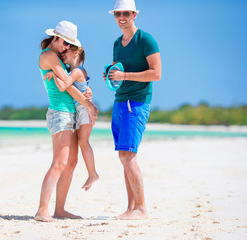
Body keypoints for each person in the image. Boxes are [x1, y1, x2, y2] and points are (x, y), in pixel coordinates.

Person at [35, 20, 98, 222]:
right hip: (60, 112)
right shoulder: (48, 55)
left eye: (70, 46)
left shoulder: (57, 58)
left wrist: (87, 92)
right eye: (65, 43)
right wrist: (89, 105)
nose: (67, 48)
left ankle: (60, 210)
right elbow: (65, 87)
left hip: (69, 113)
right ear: (56, 38)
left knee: (71, 162)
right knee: (60, 162)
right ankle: (42, 210)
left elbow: (74, 83)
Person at [105, 0, 162, 220]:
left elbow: (156, 73)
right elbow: (117, 71)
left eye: (126, 13)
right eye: (117, 13)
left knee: (129, 156)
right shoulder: (117, 43)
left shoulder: (146, 39)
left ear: (134, 14)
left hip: (136, 102)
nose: (121, 17)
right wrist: (111, 75)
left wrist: (125, 76)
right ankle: (130, 208)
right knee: (123, 155)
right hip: (120, 100)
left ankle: (141, 209)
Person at [43, 45, 99, 191]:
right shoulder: (75, 71)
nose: (62, 53)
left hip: (84, 111)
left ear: (76, 52)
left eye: (66, 51)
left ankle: (93, 173)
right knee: (82, 141)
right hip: (79, 111)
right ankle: (92, 173)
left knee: (83, 141)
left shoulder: (77, 71)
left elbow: (64, 86)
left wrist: (54, 74)